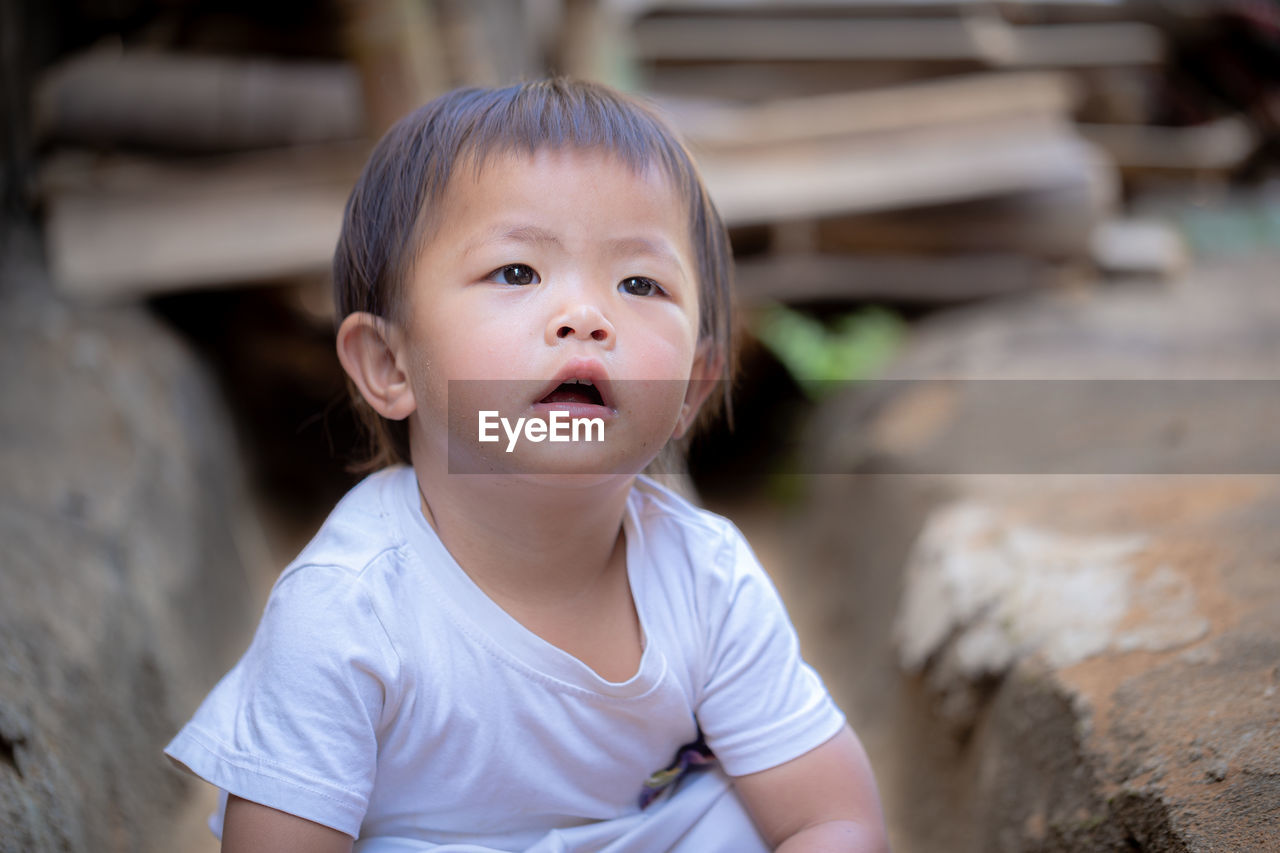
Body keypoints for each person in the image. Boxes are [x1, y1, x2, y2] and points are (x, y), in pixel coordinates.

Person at [164, 78, 888, 853]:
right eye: (517, 272)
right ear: (389, 363)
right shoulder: (346, 611)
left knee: (736, 814)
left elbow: (832, 816)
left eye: (640, 282)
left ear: (692, 387)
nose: (586, 316)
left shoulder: (707, 578)